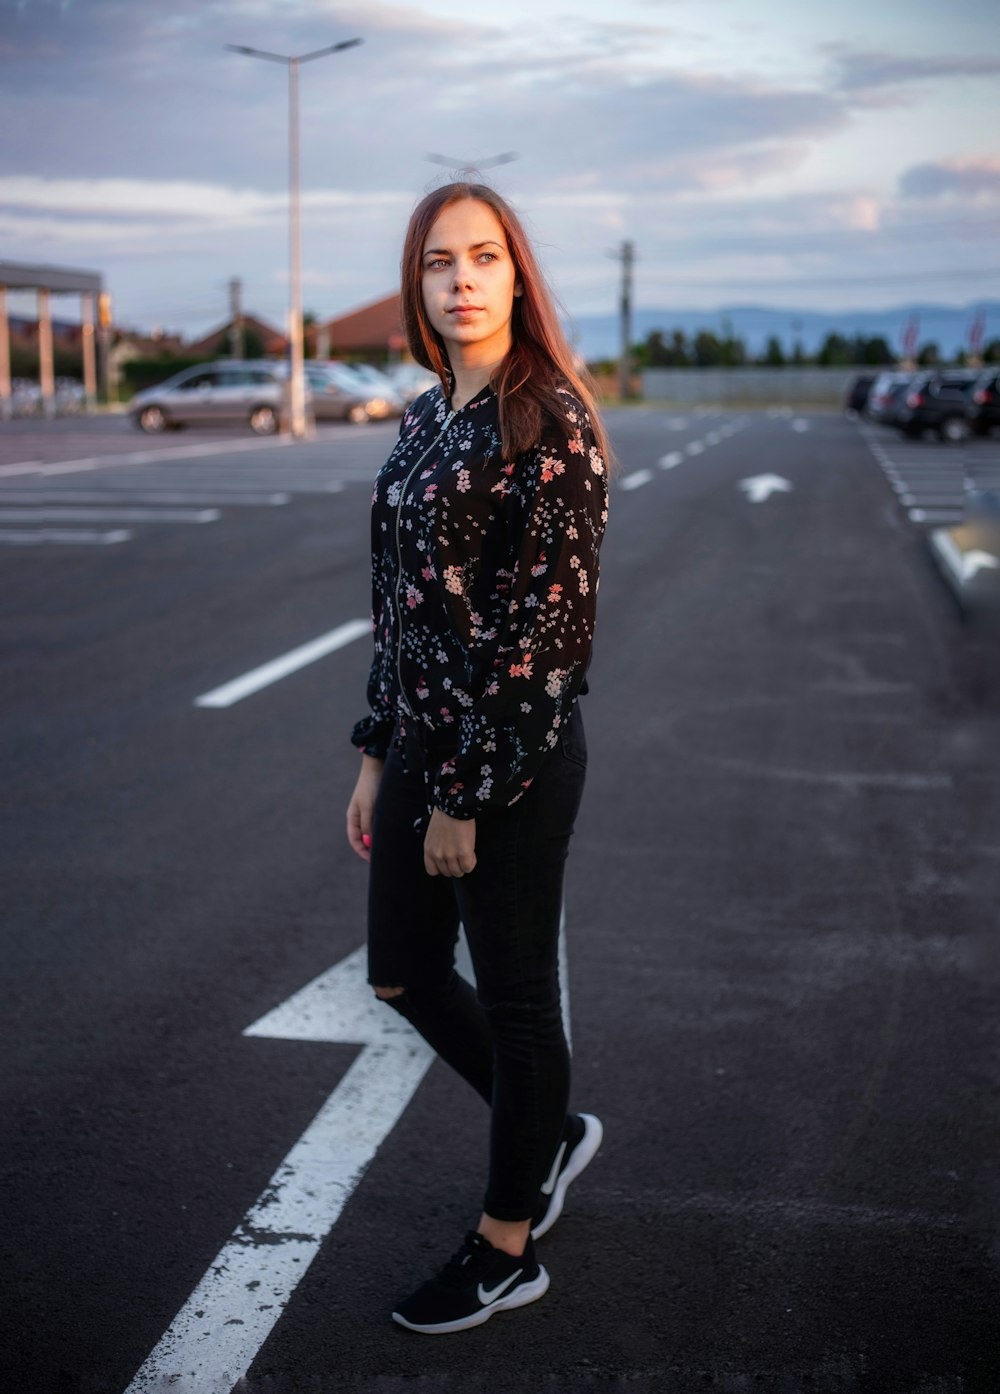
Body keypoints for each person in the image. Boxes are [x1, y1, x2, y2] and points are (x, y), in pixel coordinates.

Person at [346, 181, 609, 1335]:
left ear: (516, 275)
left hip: (513, 752)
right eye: (440, 261)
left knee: (511, 1000)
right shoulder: (421, 415)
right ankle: (544, 1128)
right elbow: (399, 607)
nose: (462, 279)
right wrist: (374, 749)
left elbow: (544, 640)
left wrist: (461, 790)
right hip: (418, 741)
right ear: (418, 283)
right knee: (400, 969)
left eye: (485, 257)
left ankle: (510, 1242)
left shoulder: (547, 419)